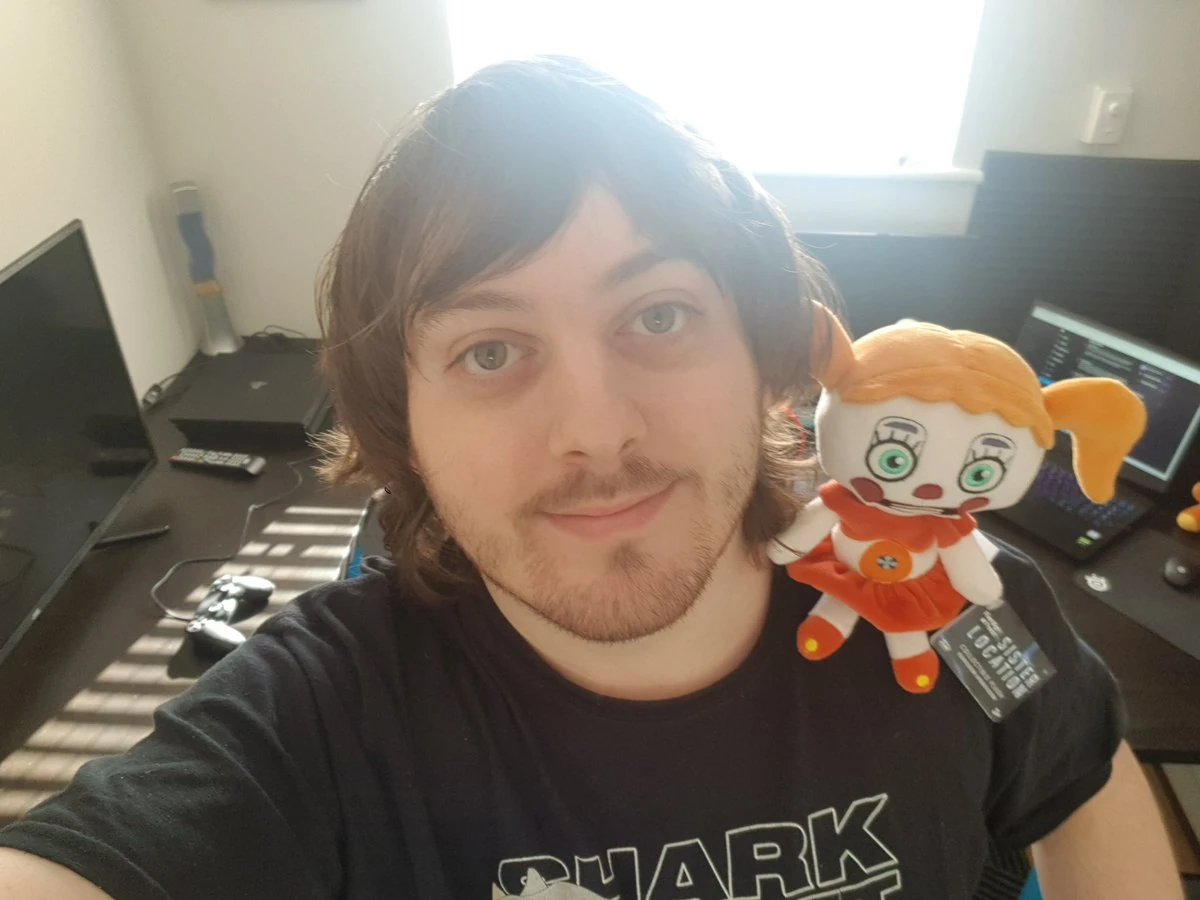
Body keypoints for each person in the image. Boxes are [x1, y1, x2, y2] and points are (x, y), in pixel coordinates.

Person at [0, 57, 1182, 900]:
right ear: (404, 423)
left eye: (658, 315)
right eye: (491, 351)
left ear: (770, 358)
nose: (595, 430)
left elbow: (1078, 782)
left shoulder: (962, 609)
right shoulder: (321, 717)